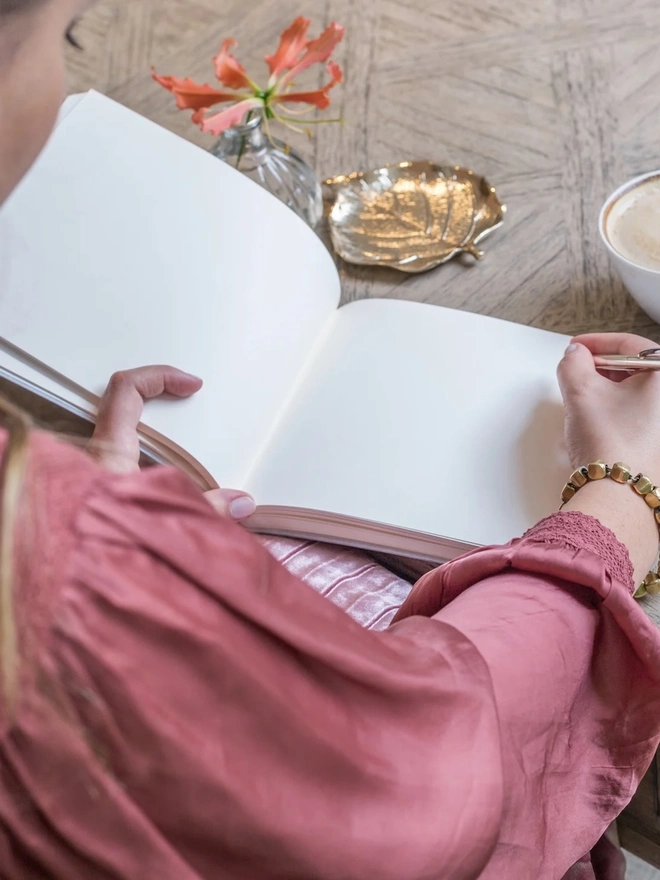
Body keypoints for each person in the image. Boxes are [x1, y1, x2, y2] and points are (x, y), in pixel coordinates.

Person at [2, 1, 660, 878]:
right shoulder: (43, 578)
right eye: (64, 38)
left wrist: (90, 510)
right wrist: (619, 500)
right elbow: (415, 790)